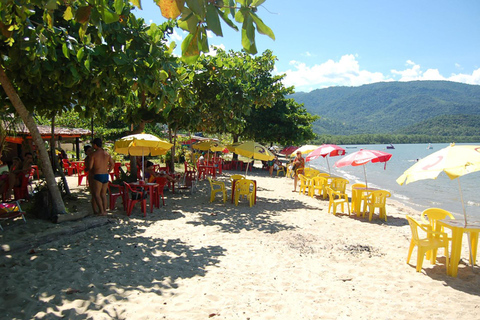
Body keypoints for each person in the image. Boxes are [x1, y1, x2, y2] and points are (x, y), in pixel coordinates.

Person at [88, 138, 114, 216]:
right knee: (103, 194)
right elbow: (112, 164)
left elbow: (90, 167)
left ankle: (101, 211)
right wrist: (108, 171)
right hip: (105, 175)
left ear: (95, 145)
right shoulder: (107, 154)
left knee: (96, 194)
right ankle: (105, 210)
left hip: (97, 175)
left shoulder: (94, 154)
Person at [83, 145, 97, 214]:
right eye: (89, 151)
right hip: (92, 177)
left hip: (97, 176)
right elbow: (88, 168)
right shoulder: (87, 159)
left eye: (91, 150)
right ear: (86, 152)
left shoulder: (94, 157)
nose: (91, 152)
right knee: (94, 194)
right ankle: (95, 210)